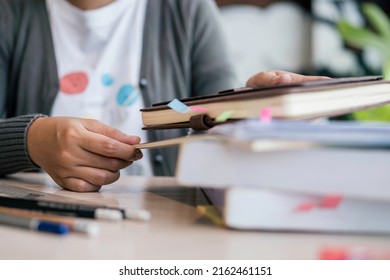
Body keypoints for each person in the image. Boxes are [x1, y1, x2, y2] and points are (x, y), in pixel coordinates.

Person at [0, 0, 237, 192]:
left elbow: (223, 122)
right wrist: (31, 140)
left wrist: (255, 107)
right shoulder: (10, 12)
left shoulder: (187, 8)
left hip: (167, 224)